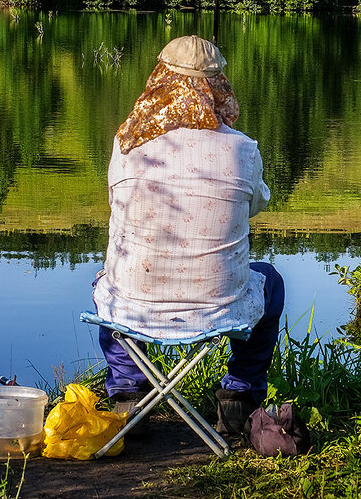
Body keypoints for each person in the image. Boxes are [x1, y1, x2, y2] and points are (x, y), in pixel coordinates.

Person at [92, 35, 284, 436]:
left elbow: (116, 202)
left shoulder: (127, 143)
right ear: (217, 85)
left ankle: (127, 389)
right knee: (271, 281)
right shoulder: (243, 149)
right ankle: (239, 396)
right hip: (218, 308)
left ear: (159, 80)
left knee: (109, 278)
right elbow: (254, 206)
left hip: (133, 305)